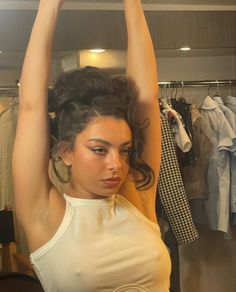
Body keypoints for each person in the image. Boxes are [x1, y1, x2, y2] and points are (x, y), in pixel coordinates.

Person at [12, 0, 171, 291]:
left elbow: (146, 99)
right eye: (100, 149)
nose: (117, 164)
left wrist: (132, 3)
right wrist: (49, 5)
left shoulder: (137, 200)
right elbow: (31, 106)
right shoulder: (46, 217)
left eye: (124, 150)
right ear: (66, 151)